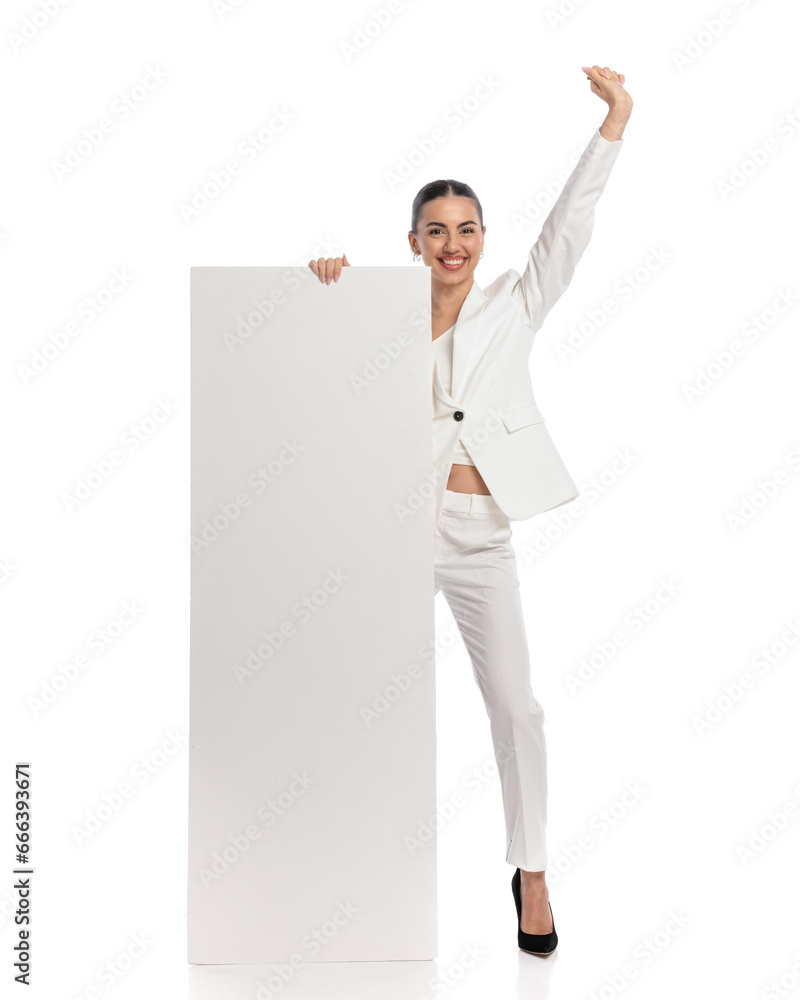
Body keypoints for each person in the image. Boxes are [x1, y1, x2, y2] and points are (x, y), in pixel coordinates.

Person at [309, 63, 633, 956]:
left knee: (517, 709)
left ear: (483, 237)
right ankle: (342, 873)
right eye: (436, 231)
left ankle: (533, 870)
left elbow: (571, 224)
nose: (452, 243)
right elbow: (300, 372)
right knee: (355, 695)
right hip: (391, 532)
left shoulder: (515, 303)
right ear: (412, 241)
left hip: (480, 536)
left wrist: (615, 121)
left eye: (467, 229)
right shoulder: (372, 312)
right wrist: (317, 287)